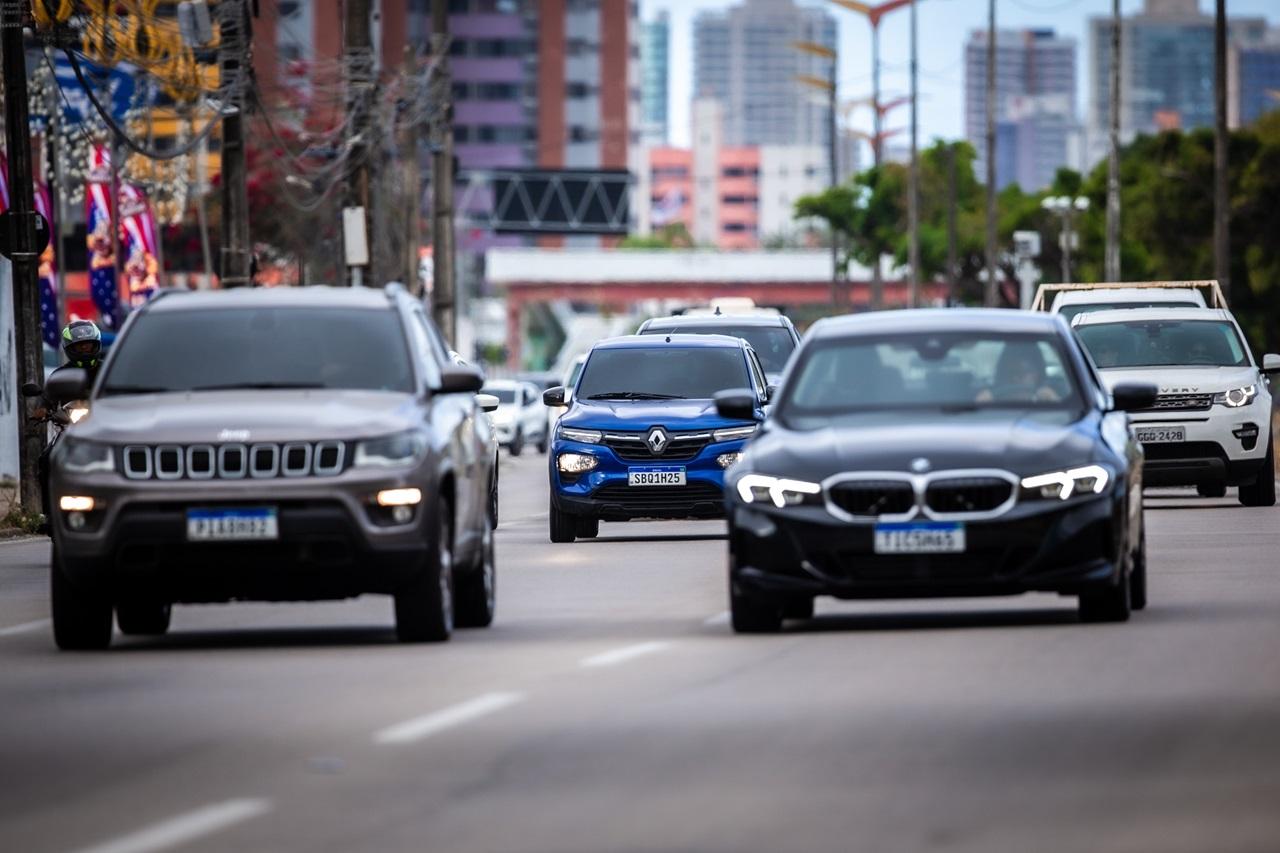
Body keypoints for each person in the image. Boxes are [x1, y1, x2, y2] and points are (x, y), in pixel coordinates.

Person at [35, 320, 104, 530]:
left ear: (96, 345)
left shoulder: (108, 371)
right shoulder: (59, 376)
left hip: (103, 429)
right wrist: (42, 410)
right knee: (47, 459)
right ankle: (49, 514)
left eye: (88, 344)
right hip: (69, 430)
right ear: (70, 348)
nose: (85, 348)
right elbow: (46, 401)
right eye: (80, 346)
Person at [976, 342, 1061, 403]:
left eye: (1022, 373)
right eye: (1011, 373)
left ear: (1036, 375)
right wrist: (982, 407)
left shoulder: (1048, 401)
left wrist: (1055, 402)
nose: (1015, 378)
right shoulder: (991, 401)